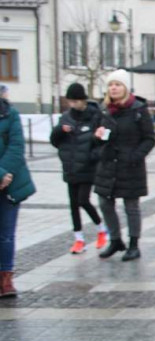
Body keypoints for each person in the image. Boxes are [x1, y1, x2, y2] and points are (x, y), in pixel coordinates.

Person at [93, 69, 155, 261]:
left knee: (131, 206)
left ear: (126, 88)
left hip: (130, 166)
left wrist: (135, 156)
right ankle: (115, 240)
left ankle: (133, 244)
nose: (113, 88)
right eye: (111, 85)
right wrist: (97, 138)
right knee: (105, 202)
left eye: (118, 84)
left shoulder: (138, 109)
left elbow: (149, 139)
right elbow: (96, 138)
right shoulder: (103, 110)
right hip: (108, 165)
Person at [50, 83, 107, 254]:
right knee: (73, 204)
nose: (72, 105)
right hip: (70, 166)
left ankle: (101, 229)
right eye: (70, 101)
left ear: (83, 100)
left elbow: (102, 141)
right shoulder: (66, 117)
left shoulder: (95, 116)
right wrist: (59, 130)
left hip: (88, 167)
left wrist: (93, 156)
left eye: (75, 101)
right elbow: (54, 141)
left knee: (83, 200)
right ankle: (79, 238)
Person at [0, 84, 36, 298]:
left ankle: (5, 277)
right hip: (3, 177)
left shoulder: (10, 113)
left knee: (6, 233)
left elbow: (17, 146)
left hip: (10, 183)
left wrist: (4, 173)